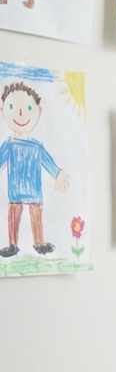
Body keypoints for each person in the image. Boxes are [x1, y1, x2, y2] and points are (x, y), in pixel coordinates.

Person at [0, 81, 70, 258]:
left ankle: (39, 242)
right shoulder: (9, 144)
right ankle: (13, 244)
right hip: (15, 191)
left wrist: (58, 173)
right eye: (12, 107)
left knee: (36, 213)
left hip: (34, 190)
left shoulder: (37, 147)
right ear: (3, 111)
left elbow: (48, 162)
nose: (21, 113)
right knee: (14, 214)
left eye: (28, 108)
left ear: (38, 113)